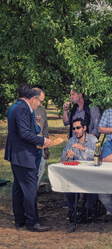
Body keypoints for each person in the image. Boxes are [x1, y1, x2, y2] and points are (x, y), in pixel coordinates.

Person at [5, 88, 55, 232]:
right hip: (23, 155)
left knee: (19, 188)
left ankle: (20, 219)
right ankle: (32, 222)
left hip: (19, 154)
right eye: (41, 101)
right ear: (33, 98)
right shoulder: (22, 109)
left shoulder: (23, 109)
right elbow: (24, 133)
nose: (40, 105)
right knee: (30, 189)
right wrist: (42, 140)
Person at [61, 118, 99, 222]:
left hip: (91, 173)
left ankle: (90, 209)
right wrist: (67, 156)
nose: (76, 130)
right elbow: (62, 159)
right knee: (67, 184)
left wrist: (83, 149)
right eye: (74, 128)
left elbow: (99, 157)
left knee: (94, 183)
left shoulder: (93, 140)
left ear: (84, 128)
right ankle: (73, 208)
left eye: (78, 128)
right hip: (76, 173)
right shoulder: (71, 141)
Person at [32, 84, 49, 187]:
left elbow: (45, 129)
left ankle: (34, 199)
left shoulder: (42, 110)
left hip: (40, 146)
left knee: (37, 174)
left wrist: (46, 148)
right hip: (29, 148)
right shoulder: (27, 109)